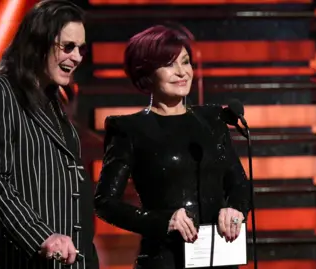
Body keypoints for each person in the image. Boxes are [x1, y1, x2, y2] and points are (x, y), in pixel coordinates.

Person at [94, 24, 251, 269]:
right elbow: (105, 203)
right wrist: (164, 220)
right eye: (169, 64)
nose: (182, 72)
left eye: (185, 62)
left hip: (220, 258)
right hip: (165, 259)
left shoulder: (213, 121)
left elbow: (239, 184)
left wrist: (235, 208)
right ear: (146, 72)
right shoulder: (128, 129)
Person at [0, 1, 98, 268]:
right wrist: (42, 237)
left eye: (80, 49)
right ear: (38, 43)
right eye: (68, 47)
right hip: (20, 259)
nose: (77, 57)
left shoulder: (52, 100)